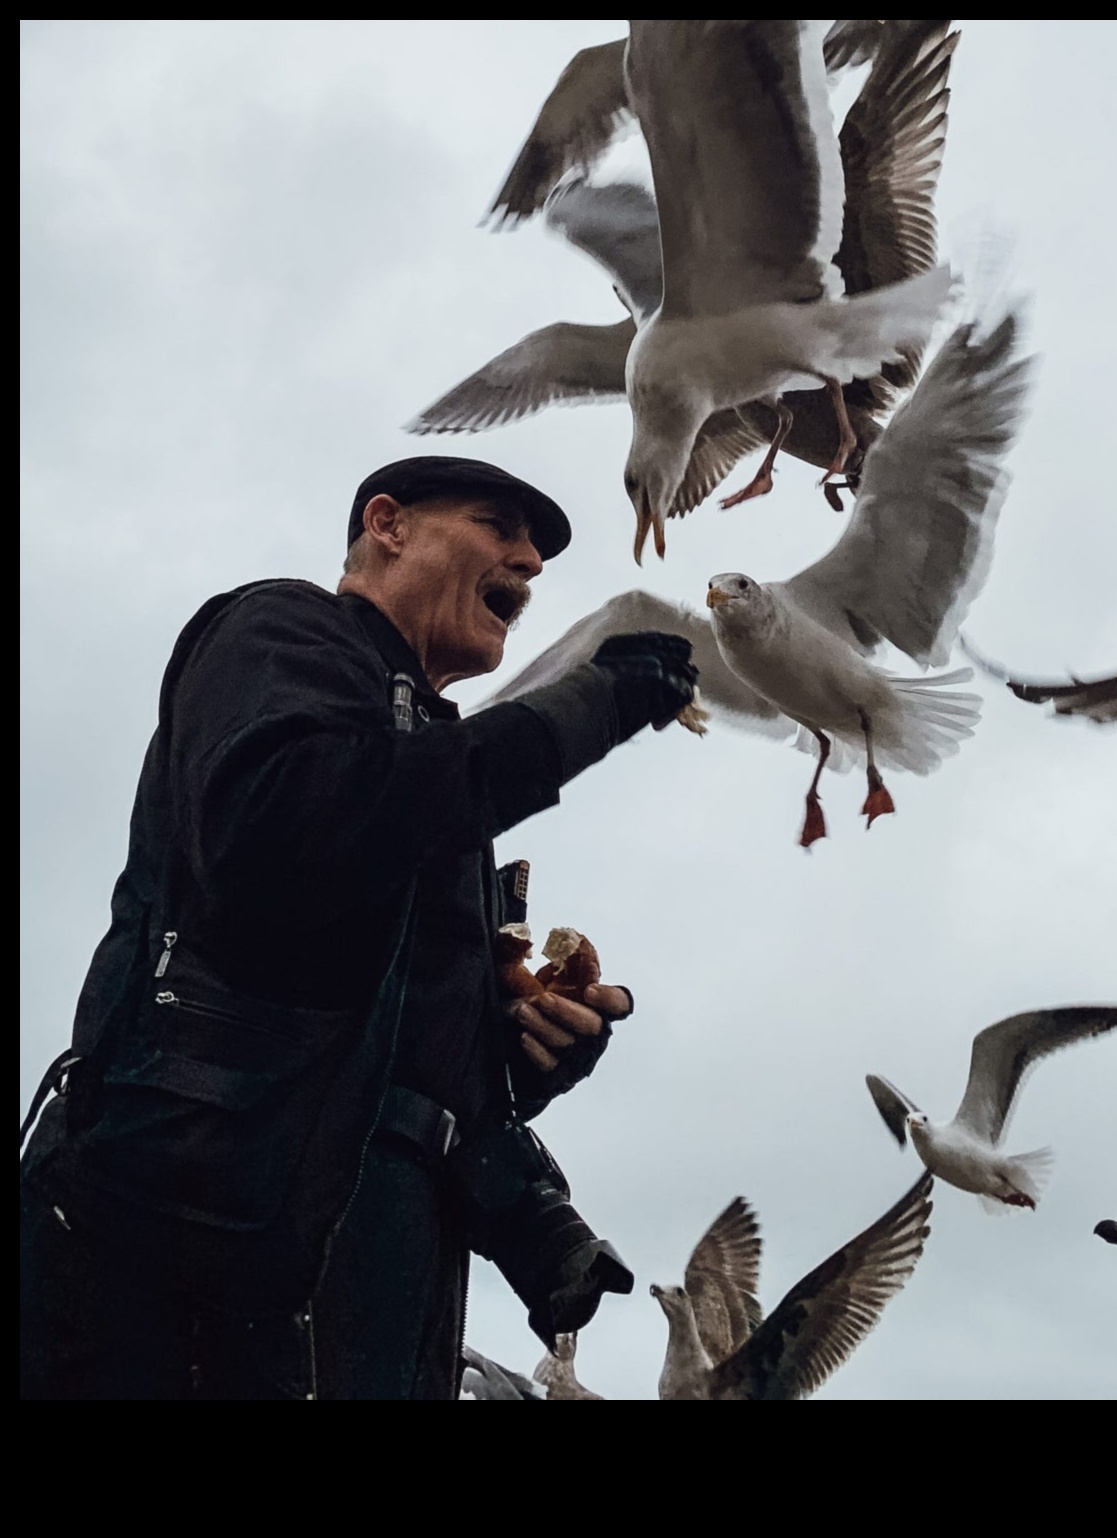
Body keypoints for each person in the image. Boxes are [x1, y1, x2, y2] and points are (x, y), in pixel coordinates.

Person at [19, 455, 698, 1400]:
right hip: (179, 1284)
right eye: (499, 526)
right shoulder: (280, 630)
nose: (531, 561)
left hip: (374, 1309)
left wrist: (529, 1054)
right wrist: (585, 709)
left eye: (535, 549)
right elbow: (286, 831)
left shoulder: (432, 764)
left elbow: (400, 1064)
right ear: (388, 524)